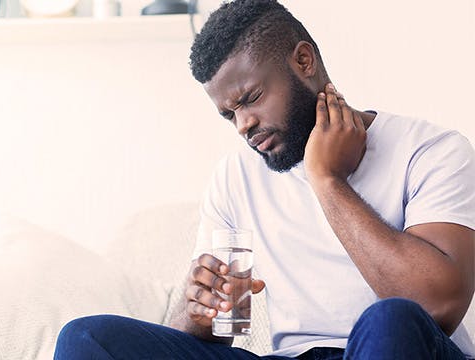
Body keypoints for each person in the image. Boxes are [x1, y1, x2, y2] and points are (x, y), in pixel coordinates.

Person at [54, 0, 475, 358]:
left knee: (390, 319)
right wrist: (196, 312)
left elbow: (437, 306)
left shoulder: (431, 150)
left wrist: (327, 181)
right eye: (228, 114)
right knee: (87, 338)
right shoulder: (235, 177)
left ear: (303, 61)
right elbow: (217, 331)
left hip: (393, 346)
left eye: (250, 99)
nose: (243, 124)